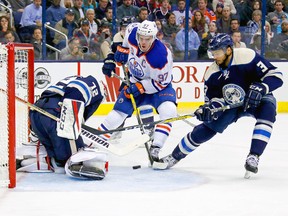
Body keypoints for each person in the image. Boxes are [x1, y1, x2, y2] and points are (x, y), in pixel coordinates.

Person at [158, 33, 283, 178]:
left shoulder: (247, 56)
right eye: (212, 53)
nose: (214, 57)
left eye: (217, 53)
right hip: (230, 104)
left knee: (268, 110)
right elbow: (213, 102)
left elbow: (277, 76)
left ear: (228, 50)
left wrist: (262, 88)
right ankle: (175, 156)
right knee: (207, 128)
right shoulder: (211, 74)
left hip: (254, 98)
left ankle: (253, 156)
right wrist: (209, 110)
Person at [99, 20, 177, 162]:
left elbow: (161, 83)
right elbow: (123, 47)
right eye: (141, 38)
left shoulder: (161, 56)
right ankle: (97, 140)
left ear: (154, 37)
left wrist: (140, 87)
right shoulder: (131, 32)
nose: (143, 42)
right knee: (119, 112)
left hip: (157, 87)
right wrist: (113, 57)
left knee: (169, 110)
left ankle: (156, 147)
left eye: (147, 39)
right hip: (134, 79)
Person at [17, 75, 108, 180]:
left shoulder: (71, 79)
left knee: (58, 160)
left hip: (36, 113)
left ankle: (27, 163)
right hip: (55, 113)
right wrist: (68, 120)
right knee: (73, 158)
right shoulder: (97, 86)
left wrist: (34, 136)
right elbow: (77, 90)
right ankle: (59, 161)